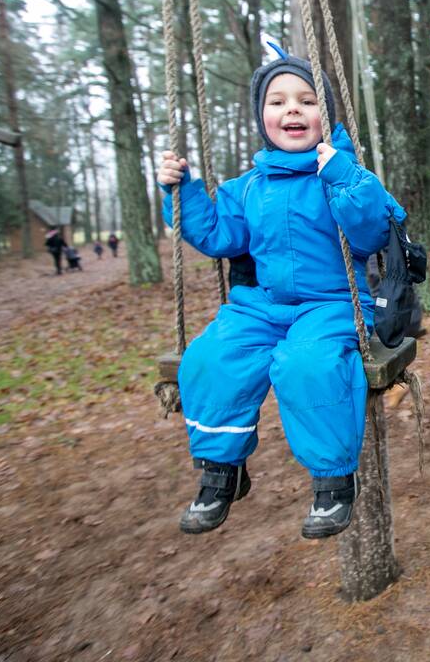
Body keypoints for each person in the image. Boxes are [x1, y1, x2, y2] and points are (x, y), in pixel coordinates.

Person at [157, 46, 406, 537]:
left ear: (326, 115)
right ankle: (220, 470)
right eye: (277, 101)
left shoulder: (343, 176)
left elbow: (372, 230)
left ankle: (333, 480)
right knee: (210, 358)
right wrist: (184, 190)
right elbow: (218, 236)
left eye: (307, 100)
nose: (292, 109)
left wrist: (341, 175)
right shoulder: (248, 187)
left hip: (332, 305)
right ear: (261, 117)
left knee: (307, 364)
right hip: (261, 306)